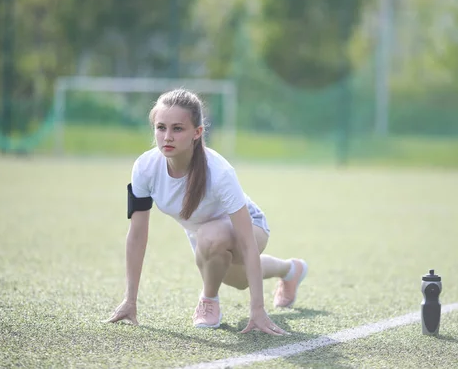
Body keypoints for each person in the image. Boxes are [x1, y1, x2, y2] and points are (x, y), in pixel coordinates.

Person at [106, 89, 308, 335]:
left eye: (177, 129)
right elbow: (137, 235)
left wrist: (257, 309)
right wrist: (130, 300)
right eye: (161, 128)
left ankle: (208, 301)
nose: (167, 137)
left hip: (251, 227)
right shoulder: (144, 168)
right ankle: (290, 270)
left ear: (197, 132)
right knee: (239, 280)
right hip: (205, 237)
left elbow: (246, 241)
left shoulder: (219, 172)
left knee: (212, 238)